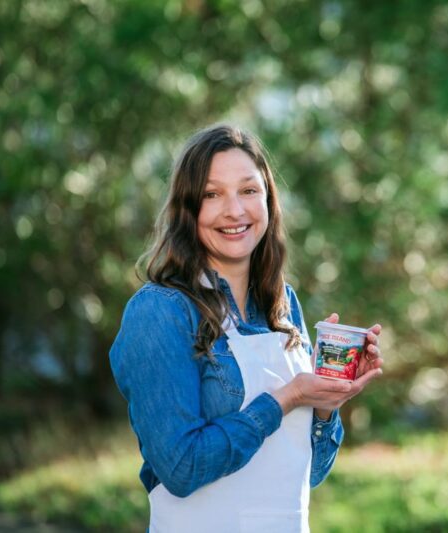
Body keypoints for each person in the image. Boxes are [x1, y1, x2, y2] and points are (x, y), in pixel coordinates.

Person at [109, 124, 384, 532]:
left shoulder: (281, 304)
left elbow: (304, 477)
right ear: (188, 210)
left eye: (249, 191)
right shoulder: (160, 311)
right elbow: (181, 469)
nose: (235, 210)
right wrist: (286, 399)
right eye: (211, 194)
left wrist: (326, 405)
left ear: (269, 200)